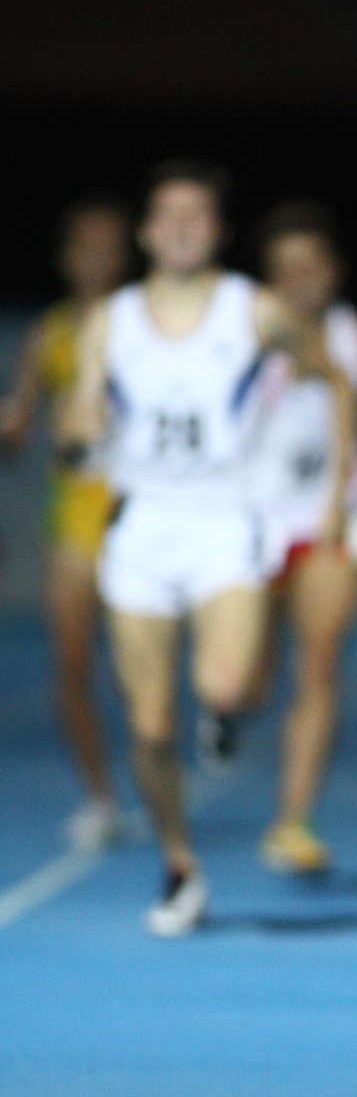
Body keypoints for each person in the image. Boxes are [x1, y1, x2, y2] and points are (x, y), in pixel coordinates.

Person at [64, 160, 353, 936]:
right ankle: (179, 863)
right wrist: (80, 431)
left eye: (198, 216)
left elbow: (334, 378)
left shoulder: (253, 311)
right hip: (143, 525)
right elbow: (81, 409)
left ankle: (222, 717)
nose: (184, 229)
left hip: (226, 518)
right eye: (170, 216)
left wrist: (333, 494)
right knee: (151, 726)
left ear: (218, 231)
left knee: (225, 685)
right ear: (147, 232)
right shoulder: (112, 319)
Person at [250, 200, 357, 875]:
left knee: (318, 668)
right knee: (246, 680)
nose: (300, 280)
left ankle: (292, 819)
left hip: (329, 520)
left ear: (334, 271)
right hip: (250, 523)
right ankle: (229, 710)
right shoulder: (243, 333)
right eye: (286, 269)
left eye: (312, 266)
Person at [0, 194, 132, 849]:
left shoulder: (147, 322)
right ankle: (100, 796)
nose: (97, 260)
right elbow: (20, 422)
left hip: (143, 516)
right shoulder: (49, 334)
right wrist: (12, 426)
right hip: (77, 519)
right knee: (72, 664)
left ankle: (158, 773)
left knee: (145, 666)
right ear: (66, 258)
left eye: (109, 247)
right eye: (86, 248)